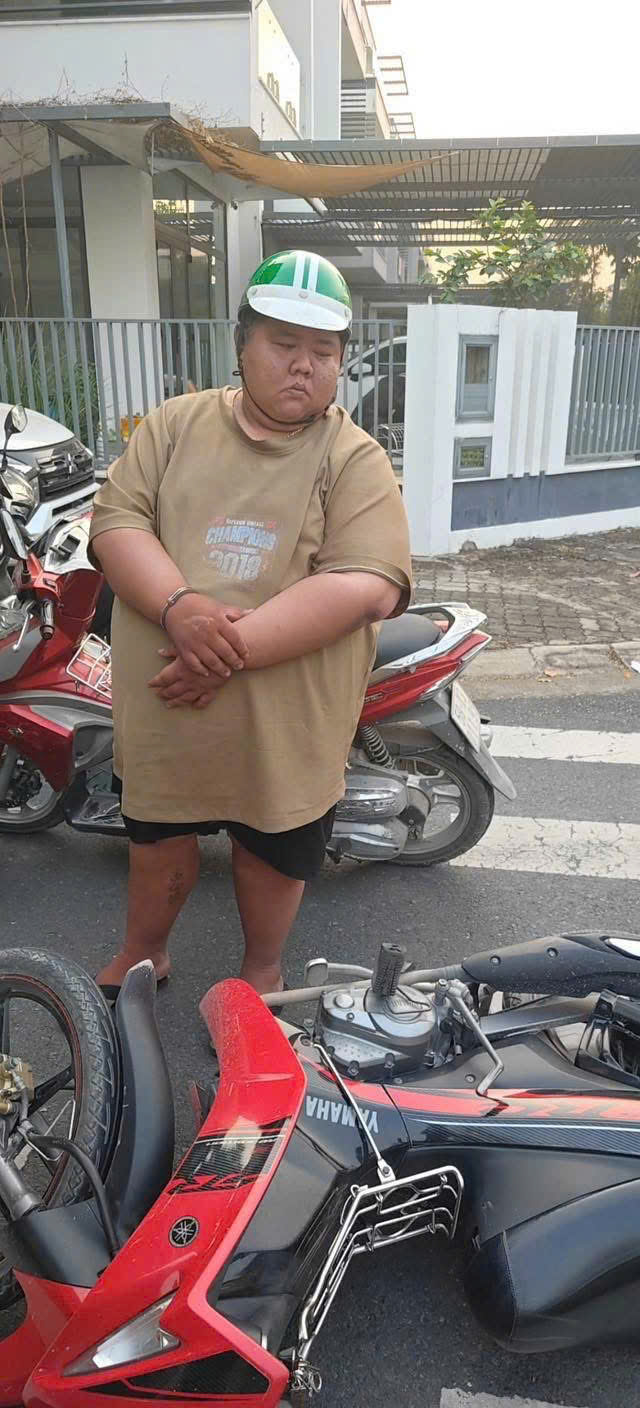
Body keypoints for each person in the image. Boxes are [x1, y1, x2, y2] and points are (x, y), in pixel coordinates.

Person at [89, 250, 412, 1001]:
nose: (303, 365)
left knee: (274, 846)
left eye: (323, 351)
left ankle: (260, 971)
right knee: (158, 834)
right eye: (284, 343)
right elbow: (116, 522)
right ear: (242, 344)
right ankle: (145, 952)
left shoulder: (353, 457)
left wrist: (218, 651)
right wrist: (180, 607)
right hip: (170, 708)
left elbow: (366, 585)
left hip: (281, 719)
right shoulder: (175, 426)